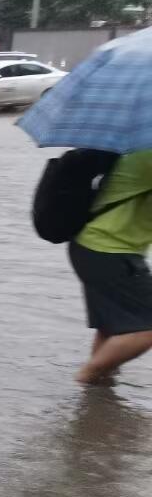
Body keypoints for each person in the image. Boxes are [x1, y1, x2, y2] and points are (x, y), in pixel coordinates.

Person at [68, 149, 152, 385]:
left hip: (92, 247)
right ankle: (87, 377)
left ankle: (96, 396)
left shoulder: (139, 152)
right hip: (109, 251)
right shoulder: (148, 157)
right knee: (145, 329)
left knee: (111, 327)